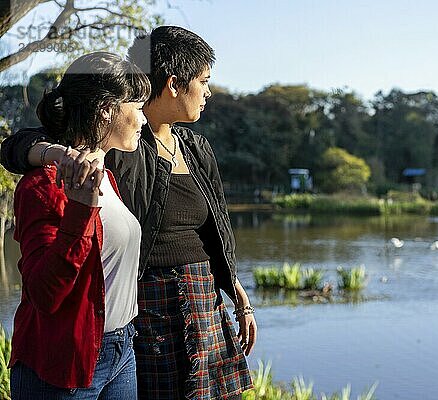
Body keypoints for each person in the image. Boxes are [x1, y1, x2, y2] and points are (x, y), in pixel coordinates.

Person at [2, 26, 256, 400]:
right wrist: (53, 154)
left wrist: (235, 289)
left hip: (189, 305)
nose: (208, 91)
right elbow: (20, 146)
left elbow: (215, 227)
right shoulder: (114, 149)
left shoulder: (196, 147)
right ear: (173, 83)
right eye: (203, 81)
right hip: (146, 311)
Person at [9, 52, 150, 399]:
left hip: (122, 351)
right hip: (63, 364)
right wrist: (79, 210)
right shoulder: (42, 186)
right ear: (107, 109)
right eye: (138, 106)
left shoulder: (108, 177)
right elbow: (44, 293)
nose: (143, 118)